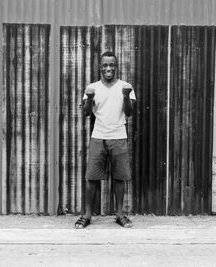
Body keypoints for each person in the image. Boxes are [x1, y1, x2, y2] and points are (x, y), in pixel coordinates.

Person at [75, 51, 136, 229]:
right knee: (92, 177)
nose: (108, 68)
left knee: (119, 177)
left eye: (112, 65)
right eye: (105, 65)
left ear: (116, 67)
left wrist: (125, 95)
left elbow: (130, 112)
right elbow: (86, 113)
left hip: (119, 136)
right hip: (98, 137)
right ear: (100, 67)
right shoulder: (92, 87)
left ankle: (119, 214)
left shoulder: (126, 86)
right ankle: (86, 215)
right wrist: (90, 97)